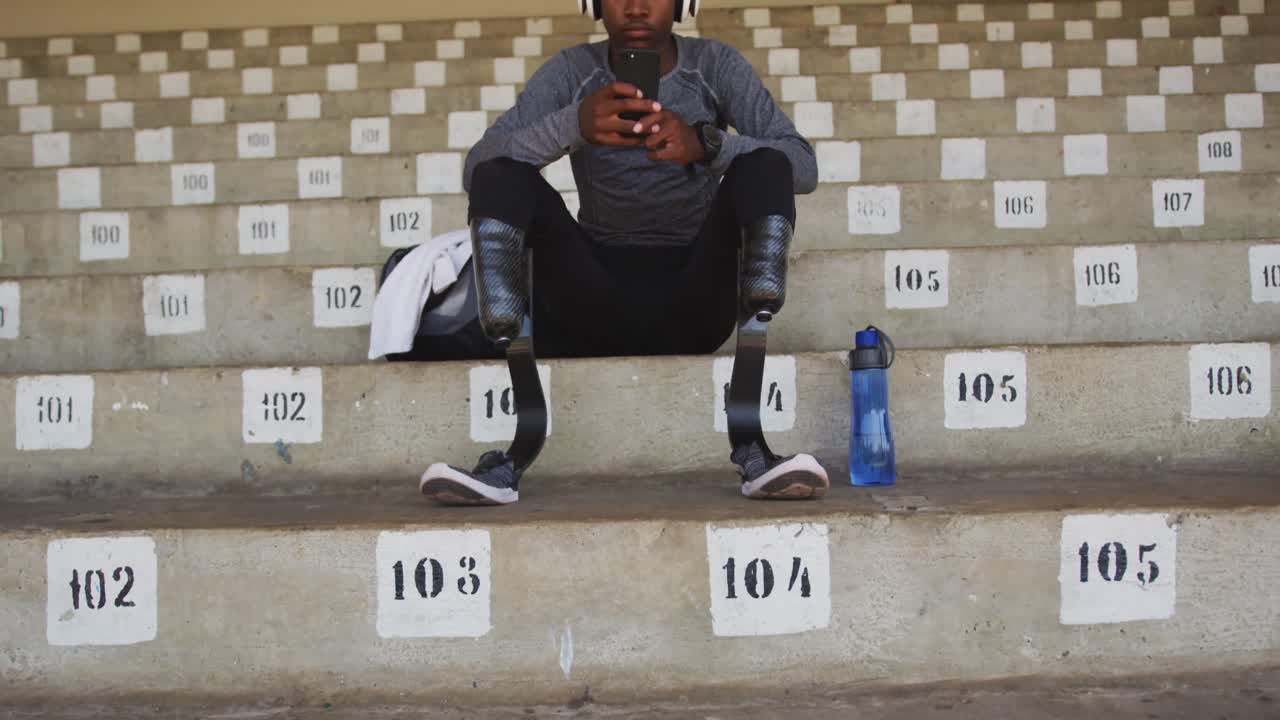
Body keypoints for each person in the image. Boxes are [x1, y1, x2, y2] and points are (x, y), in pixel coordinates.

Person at [417, 0, 830, 505]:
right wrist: (576, 125)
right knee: (500, 173)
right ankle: (513, 455)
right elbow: (477, 166)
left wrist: (707, 145)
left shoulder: (715, 65)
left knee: (765, 163)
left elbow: (801, 165)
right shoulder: (573, 71)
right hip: (590, 299)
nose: (636, 7)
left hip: (695, 299)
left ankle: (752, 443)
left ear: (684, 3)